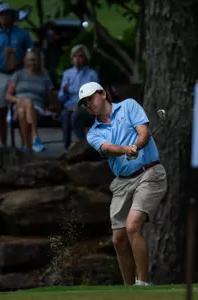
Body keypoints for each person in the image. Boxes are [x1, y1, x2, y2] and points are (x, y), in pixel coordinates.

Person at [81, 82, 167, 286]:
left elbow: (144, 133)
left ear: (102, 93)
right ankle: (129, 290)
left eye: (90, 98)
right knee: (118, 239)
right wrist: (125, 150)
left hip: (149, 174)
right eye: (84, 103)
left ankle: (143, 284)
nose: (88, 105)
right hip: (121, 183)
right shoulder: (93, 133)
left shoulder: (128, 106)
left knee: (132, 226)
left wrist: (135, 146)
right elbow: (108, 148)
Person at [0, 3, 33, 147]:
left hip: (18, 73)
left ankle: (25, 142)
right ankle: (4, 145)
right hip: (0, 74)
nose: (5, 18)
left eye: (7, 14)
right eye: (1, 15)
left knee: (21, 109)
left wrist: (22, 60)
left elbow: (31, 52)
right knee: (1, 110)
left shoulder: (22, 34)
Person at [5, 50, 53, 152]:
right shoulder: (18, 74)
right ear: (25, 61)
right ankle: (35, 137)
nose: (32, 63)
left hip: (37, 107)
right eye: (30, 60)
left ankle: (26, 146)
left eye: (35, 60)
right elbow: (8, 95)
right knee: (27, 102)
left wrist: (51, 107)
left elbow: (50, 96)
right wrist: (19, 100)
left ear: (39, 61)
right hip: (17, 104)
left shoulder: (44, 76)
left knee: (23, 112)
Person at [58, 44, 99, 151]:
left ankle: (83, 144)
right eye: (75, 56)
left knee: (77, 114)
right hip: (70, 107)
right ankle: (66, 148)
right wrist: (65, 91)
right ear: (72, 59)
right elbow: (61, 98)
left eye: (80, 56)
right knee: (65, 115)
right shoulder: (67, 74)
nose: (78, 59)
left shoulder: (91, 74)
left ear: (85, 58)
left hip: (87, 108)